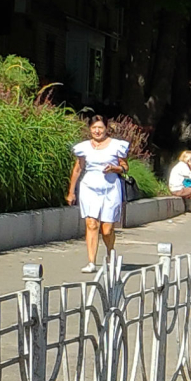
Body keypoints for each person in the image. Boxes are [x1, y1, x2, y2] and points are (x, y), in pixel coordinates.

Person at [66, 114, 129, 272]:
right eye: (94, 128)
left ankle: (110, 253)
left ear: (106, 129)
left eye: (100, 127)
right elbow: (78, 169)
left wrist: (115, 168)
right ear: (90, 129)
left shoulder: (116, 145)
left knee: (107, 228)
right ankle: (91, 262)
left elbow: (125, 167)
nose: (97, 131)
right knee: (91, 223)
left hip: (110, 186)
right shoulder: (84, 147)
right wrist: (71, 192)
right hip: (89, 186)